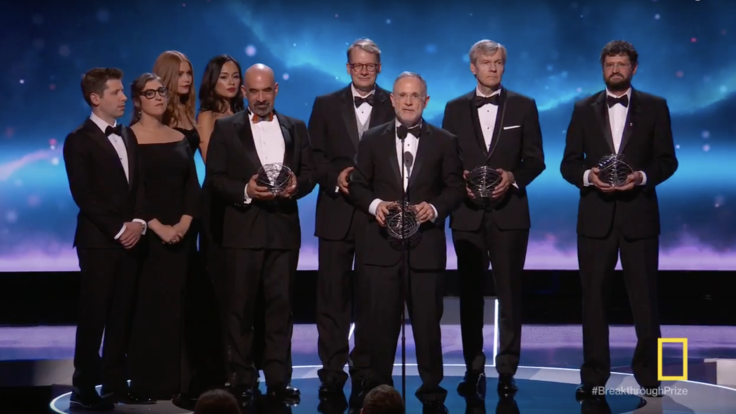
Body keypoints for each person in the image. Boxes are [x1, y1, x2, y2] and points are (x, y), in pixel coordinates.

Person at [560, 40, 678, 399]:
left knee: (645, 300)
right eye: (610, 63)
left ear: (634, 68)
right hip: (595, 219)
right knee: (593, 300)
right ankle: (594, 376)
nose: (615, 69)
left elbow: (667, 160)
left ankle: (649, 377)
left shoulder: (655, 107)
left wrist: (640, 177)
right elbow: (568, 163)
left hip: (639, 217)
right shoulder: (583, 109)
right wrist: (588, 177)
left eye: (622, 63)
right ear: (602, 68)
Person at [349, 72, 465, 412]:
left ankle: (432, 395)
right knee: (379, 327)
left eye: (416, 96)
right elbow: (358, 186)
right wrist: (376, 206)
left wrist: (433, 208)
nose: (409, 101)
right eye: (403, 95)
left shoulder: (445, 140)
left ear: (426, 101)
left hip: (425, 250)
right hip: (381, 249)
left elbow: (455, 188)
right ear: (393, 100)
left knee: (428, 327)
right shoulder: (371, 139)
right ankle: (381, 396)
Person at [205, 63, 315, 402]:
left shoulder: (295, 127)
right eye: (254, 91)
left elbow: (311, 172)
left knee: (281, 309)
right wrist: (247, 191)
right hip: (242, 232)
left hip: (283, 232)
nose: (261, 97)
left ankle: (279, 380)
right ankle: (241, 380)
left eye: (267, 90)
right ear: (244, 92)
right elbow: (216, 179)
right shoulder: (226, 128)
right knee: (241, 308)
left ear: (276, 90)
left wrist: (298, 185)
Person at [442, 39, 545, 397]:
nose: (493, 68)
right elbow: (446, 161)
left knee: (510, 294)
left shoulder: (524, 106)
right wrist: (461, 186)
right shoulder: (453, 109)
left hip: (509, 215)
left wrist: (512, 178)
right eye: (486, 63)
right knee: (470, 294)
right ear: (473, 67)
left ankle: (506, 369)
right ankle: (473, 366)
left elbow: (535, 159)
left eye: (499, 62)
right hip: (467, 216)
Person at [308, 38, 395, 398]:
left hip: (376, 214)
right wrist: (336, 177)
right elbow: (313, 156)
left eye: (370, 66)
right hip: (336, 213)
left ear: (379, 67)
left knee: (373, 297)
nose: (363, 71)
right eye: (358, 65)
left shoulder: (394, 103)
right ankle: (332, 369)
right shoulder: (326, 104)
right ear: (347, 68)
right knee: (332, 296)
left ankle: (365, 368)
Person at [62, 67, 153, 410]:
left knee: (122, 315)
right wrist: (120, 229)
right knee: (94, 316)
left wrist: (140, 222)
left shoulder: (128, 135)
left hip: (132, 238)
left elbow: (140, 185)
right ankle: (83, 387)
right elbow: (84, 195)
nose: (124, 98)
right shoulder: (78, 140)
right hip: (99, 242)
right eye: (116, 92)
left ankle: (115, 383)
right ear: (95, 98)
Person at [126, 73, 201, 400]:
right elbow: (133, 192)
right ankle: (148, 382)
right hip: (147, 238)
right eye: (150, 93)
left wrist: (184, 224)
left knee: (182, 309)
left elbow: (191, 186)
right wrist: (156, 226)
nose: (158, 97)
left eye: (161, 92)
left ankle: (181, 383)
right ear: (137, 100)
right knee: (149, 310)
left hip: (181, 239)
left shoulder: (180, 137)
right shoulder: (127, 139)